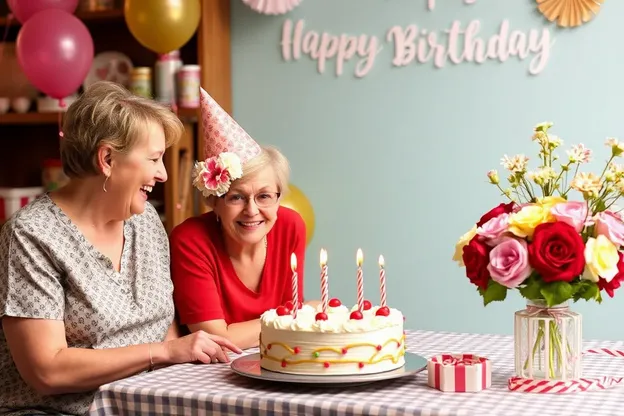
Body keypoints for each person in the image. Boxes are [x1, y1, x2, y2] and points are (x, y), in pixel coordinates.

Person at [0, 81, 241, 416]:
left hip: (144, 403)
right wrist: (164, 352)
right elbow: (47, 370)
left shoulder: (146, 222)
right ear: (108, 158)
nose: (163, 174)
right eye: (155, 158)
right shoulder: (32, 235)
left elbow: (164, 327)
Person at [170, 87, 315, 350]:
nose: (252, 210)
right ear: (214, 201)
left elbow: (289, 327)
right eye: (236, 197)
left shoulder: (290, 226)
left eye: (264, 196)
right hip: (209, 375)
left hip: (277, 359)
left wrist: (292, 316)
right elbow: (216, 339)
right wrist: (298, 313)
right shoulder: (190, 240)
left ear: (279, 196)